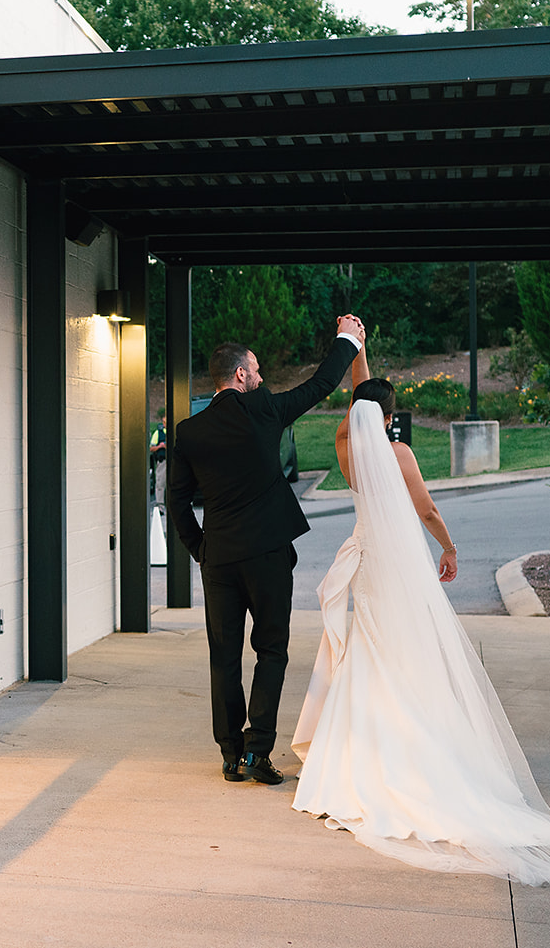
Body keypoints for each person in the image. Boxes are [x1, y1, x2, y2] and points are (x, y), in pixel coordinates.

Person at [290, 345, 550, 885]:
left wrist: (356, 353)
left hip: (368, 568)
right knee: (409, 653)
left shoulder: (344, 448)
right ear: (388, 419)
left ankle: (361, 758)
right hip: (397, 565)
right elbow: (425, 508)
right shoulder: (398, 454)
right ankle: (418, 752)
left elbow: (358, 406)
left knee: (371, 649)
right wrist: (449, 548)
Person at [169, 315, 364, 785]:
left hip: (219, 560)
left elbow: (174, 500)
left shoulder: (189, 432)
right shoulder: (263, 410)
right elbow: (320, 384)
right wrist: (347, 340)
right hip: (268, 557)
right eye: (255, 370)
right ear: (240, 375)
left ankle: (230, 756)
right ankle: (259, 753)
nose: (260, 378)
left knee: (224, 656)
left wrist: (200, 548)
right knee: (271, 650)